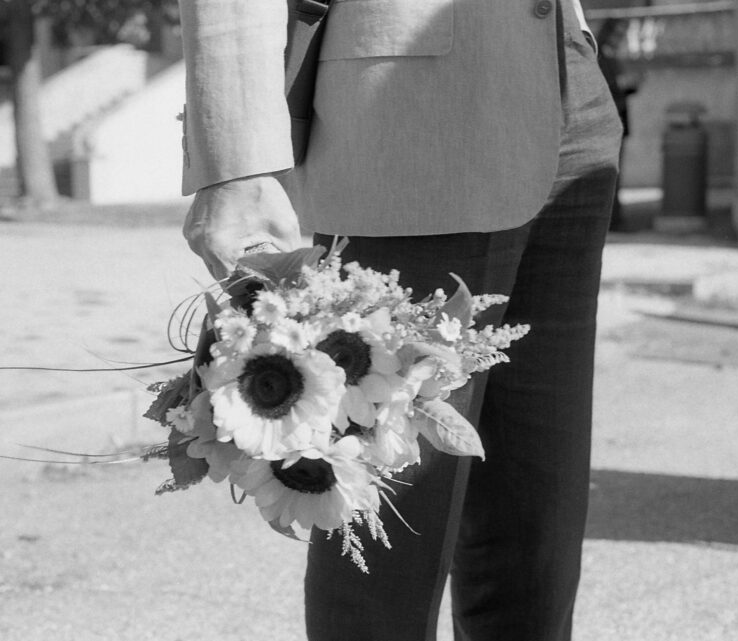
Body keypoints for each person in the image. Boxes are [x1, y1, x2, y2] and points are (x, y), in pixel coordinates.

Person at [178, 1, 622, 640]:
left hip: (565, 85)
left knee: (535, 526)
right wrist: (233, 160)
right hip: (407, 108)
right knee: (387, 545)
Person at [596, 18, 639, 232]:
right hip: (608, 124)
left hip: (618, 121)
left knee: (616, 174)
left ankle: (615, 219)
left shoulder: (611, 57)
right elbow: (608, 91)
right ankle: (612, 221)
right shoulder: (600, 57)